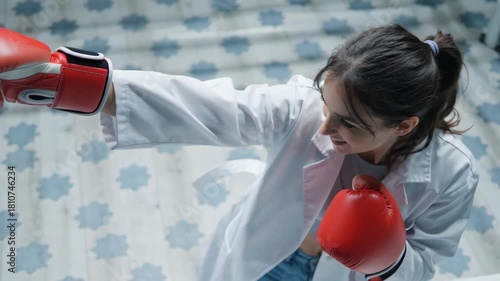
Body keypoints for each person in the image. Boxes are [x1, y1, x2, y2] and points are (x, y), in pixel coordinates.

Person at [0, 24, 479, 281]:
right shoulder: (303, 110)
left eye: (349, 124)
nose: (326, 125)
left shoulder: (452, 174)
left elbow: (424, 265)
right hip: (267, 260)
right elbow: (208, 106)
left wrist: (388, 257)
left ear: (404, 125)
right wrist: (68, 83)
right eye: (326, 104)